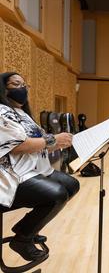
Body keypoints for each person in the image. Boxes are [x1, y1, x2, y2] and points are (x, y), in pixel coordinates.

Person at [0, 72, 80, 261]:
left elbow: (40, 140)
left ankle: (28, 227)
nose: (22, 89)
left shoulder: (24, 114)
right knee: (57, 195)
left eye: (24, 85)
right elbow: (19, 145)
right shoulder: (2, 111)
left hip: (33, 169)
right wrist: (53, 139)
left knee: (71, 185)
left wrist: (58, 143)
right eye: (16, 84)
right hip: (11, 174)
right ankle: (22, 239)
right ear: (4, 88)